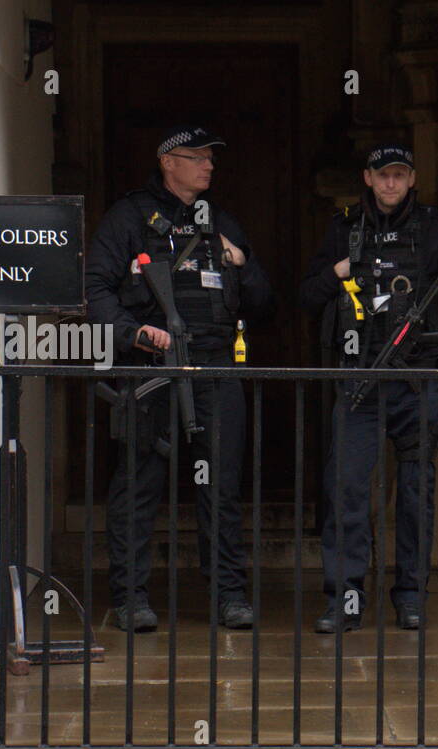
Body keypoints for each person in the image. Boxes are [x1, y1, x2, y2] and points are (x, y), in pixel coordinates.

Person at [299, 144, 438, 632]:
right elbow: (307, 295)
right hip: (359, 380)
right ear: (368, 177)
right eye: (383, 176)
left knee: (416, 493)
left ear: (412, 179)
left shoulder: (433, 227)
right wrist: (339, 272)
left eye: (399, 176)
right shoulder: (345, 228)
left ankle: (411, 595)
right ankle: (346, 597)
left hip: (416, 380)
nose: (390, 184)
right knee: (347, 488)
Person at [86, 125, 274, 631]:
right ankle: (130, 598)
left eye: (212, 158)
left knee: (222, 486)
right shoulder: (128, 217)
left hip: (214, 365)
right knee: (139, 482)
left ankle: (229, 595)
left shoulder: (221, 221)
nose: (209, 166)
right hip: (152, 369)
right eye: (198, 157)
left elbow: (263, 303)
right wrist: (133, 333)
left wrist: (243, 261)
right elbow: (95, 289)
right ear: (169, 161)